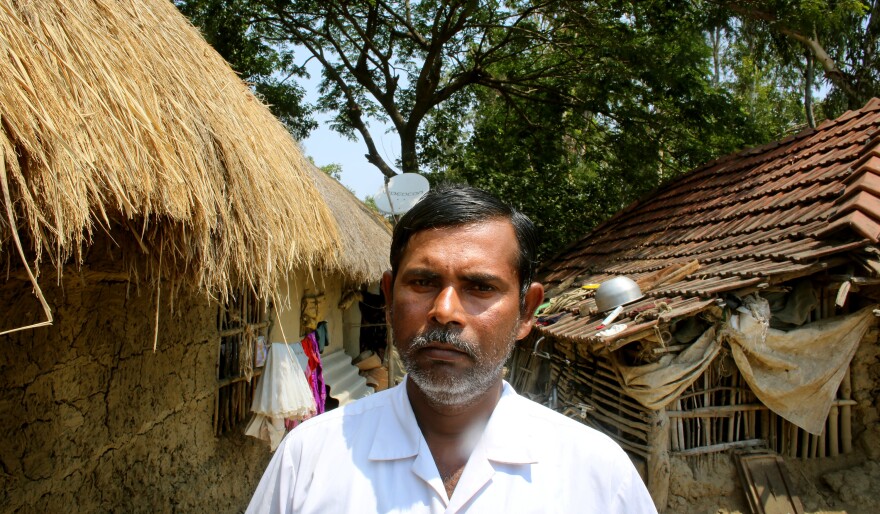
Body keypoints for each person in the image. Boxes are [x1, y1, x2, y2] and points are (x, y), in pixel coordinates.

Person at [245, 185, 657, 513]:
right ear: (389, 298)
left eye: (480, 287)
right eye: (423, 283)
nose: (444, 311)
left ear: (526, 312)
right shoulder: (310, 457)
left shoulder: (598, 475)